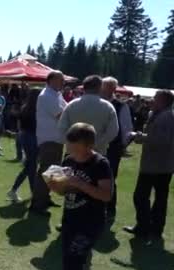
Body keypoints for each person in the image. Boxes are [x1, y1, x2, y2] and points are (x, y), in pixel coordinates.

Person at [47, 123, 113, 270]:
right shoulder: (68, 161)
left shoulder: (100, 164)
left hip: (90, 222)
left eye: (74, 148)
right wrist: (54, 185)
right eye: (69, 146)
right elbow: (63, 191)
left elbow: (106, 195)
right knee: (68, 260)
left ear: (88, 146)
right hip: (70, 219)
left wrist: (81, 184)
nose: (70, 151)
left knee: (75, 259)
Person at [123, 90, 174, 244]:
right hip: (160, 165)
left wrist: (137, 136)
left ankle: (146, 228)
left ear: (164, 101)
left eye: (155, 98)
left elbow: (162, 140)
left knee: (142, 196)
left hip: (157, 165)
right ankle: (151, 228)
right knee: (157, 198)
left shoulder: (167, 117)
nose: (152, 100)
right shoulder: (160, 114)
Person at [30, 71, 67, 216]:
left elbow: (66, 108)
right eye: (60, 80)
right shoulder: (47, 96)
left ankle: (45, 198)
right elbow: (62, 114)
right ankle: (38, 204)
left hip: (56, 138)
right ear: (51, 80)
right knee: (46, 172)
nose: (63, 82)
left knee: (53, 171)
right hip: (49, 138)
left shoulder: (55, 94)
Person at [101, 77, 133, 225]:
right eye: (103, 86)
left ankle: (110, 208)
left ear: (113, 89)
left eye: (107, 86)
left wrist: (122, 145)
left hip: (113, 148)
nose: (104, 89)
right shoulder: (98, 103)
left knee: (110, 177)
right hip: (96, 146)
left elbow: (127, 128)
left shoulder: (121, 106)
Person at [58, 75, 119, 155]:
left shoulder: (71, 105)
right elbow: (113, 132)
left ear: (84, 87)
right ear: (100, 88)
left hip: (73, 153)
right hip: (97, 153)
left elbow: (62, 128)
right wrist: (95, 144)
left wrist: (73, 144)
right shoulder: (108, 107)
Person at [7, 89, 41, 202]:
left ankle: (15, 190)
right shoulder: (37, 110)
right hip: (32, 138)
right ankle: (33, 193)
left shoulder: (25, 107)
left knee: (29, 167)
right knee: (31, 167)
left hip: (25, 136)